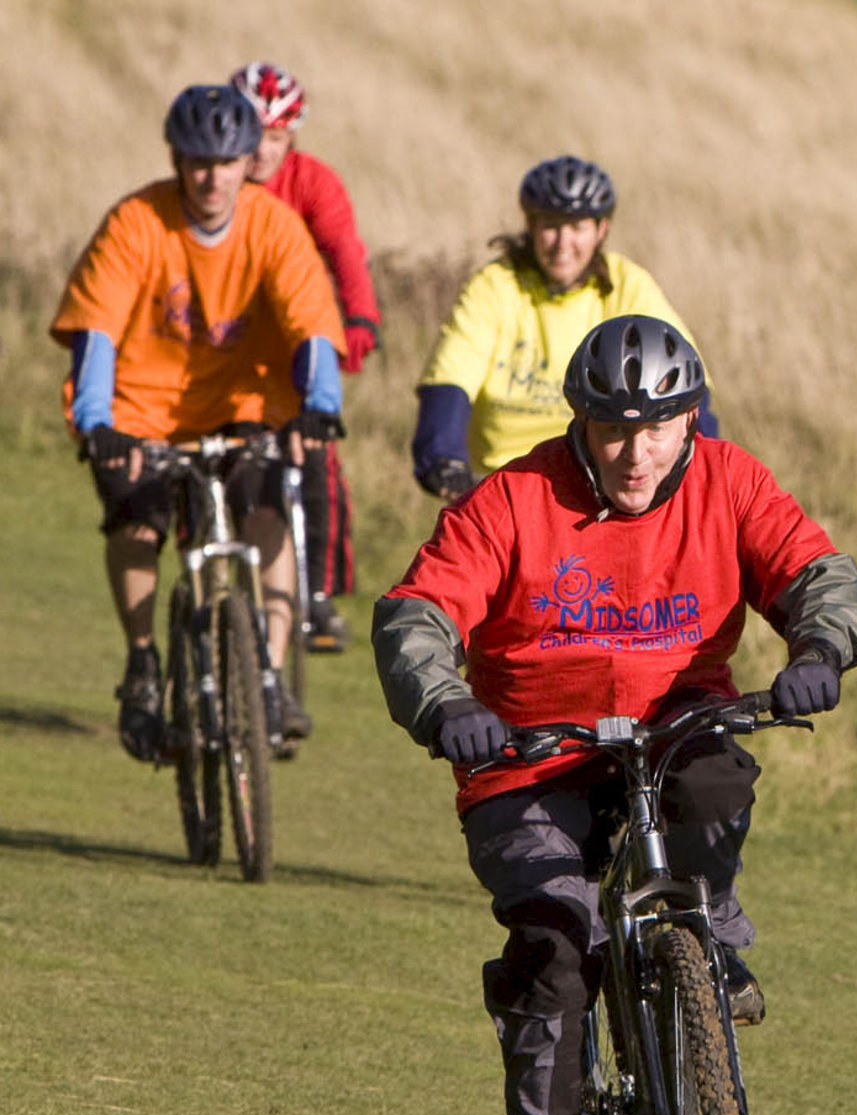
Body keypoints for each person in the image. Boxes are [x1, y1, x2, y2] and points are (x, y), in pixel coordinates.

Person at [371, 315, 857, 1115]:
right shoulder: (513, 499)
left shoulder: (731, 482)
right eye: (613, 428)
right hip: (529, 756)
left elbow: (820, 574)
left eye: (659, 425)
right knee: (557, 947)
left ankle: (705, 940)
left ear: (692, 417)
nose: (636, 451)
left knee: (718, 776)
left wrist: (819, 648)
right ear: (579, 422)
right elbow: (416, 613)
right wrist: (444, 703)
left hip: (673, 728)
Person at [51, 83, 347, 758]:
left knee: (266, 511)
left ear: (250, 161)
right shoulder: (137, 222)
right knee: (137, 521)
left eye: (227, 161)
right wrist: (97, 423)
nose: (212, 177)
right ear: (177, 160)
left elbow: (311, 327)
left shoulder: (274, 226)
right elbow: (96, 332)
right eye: (197, 162)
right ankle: (143, 662)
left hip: (245, 404)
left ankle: (267, 674)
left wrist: (320, 408)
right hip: (139, 408)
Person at [409, 155, 716, 503]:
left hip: (601, 476)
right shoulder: (497, 285)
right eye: (550, 226)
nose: (562, 243)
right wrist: (442, 455)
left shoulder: (625, 284)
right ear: (531, 226)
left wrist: (702, 467)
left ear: (601, 229)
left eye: (577, 227)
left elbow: (683, 376)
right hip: (504, 484)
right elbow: (454, 367)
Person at [231, 59, 383, 653]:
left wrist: (360, 320)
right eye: (253, 135)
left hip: (301, 340)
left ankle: (317, 592)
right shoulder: (216, 180)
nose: (262, 151)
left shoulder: (314, 182)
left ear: (291, 136)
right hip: (230, 341)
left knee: (317, 453)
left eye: (275, 137)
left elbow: (346, 254)